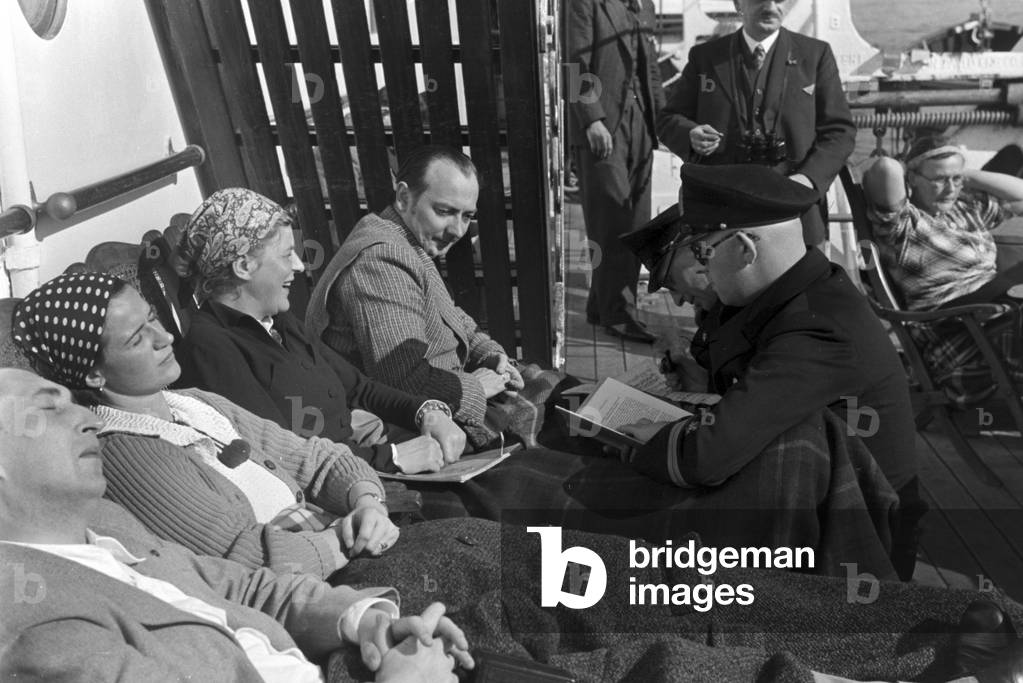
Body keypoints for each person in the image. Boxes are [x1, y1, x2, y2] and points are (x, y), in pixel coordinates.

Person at [2, 367, 1023, 683]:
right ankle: (922, 644)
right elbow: (254, 547)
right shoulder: (55, 624)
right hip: (412, 547)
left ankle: (928, 624)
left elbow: (309, 476)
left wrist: (361, 608)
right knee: (641, 622)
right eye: (47, 402)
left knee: (651, 579)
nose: (72, 401)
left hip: (386, 569)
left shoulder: (186, 419)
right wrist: (358, 520)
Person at [620, 163, 923, 581]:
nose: (704, 270)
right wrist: (704, 387)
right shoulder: (798, 295)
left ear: (745, 248)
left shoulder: (818, 327)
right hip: (812, 503)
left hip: (856, 539)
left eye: (705, 252)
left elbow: (705, 458)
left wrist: (637, 435)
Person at [11, 272, 397, 579]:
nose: (163, 338)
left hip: (343, 545)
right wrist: (351, 537)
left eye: (153, 318)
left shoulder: (194, 403)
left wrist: (367, 502)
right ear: (93, 373)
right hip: (318, 585)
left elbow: (313, 458)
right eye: (136, 339)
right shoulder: (125, 453)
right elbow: (244, 555)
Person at [173, 187, 465, 476]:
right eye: (287, 255)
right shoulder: (211, 346)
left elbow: (360, 387)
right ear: (243, 266)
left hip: (359, 464)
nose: (300, 265)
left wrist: (428, 412)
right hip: (339, 489)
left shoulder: (279, 321)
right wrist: (394, 456)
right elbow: (279, 454)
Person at [306, 146, 564, 451]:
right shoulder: (382, 260)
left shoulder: (407, 239)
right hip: (414, 424)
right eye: (444, 211)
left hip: (449, 393)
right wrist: (478, 387)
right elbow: (402, 383)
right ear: (404, 197)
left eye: (467, 216)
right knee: (571, 432)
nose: (457, 230)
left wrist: (494, 356)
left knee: (570, 398)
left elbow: (452, 316)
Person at [655, 0, 855, 245]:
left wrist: (808, 179)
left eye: (779, 0)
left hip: (795, 209)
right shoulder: (705, 57)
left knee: (797, 282)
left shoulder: (815, 55)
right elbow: (667, 120)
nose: (771, 6)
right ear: (739, 4)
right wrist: (690, 134)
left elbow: (840, 131)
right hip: (723, 212)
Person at [862, 136, 1023, 405]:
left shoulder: (967, 209)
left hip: (995, 316)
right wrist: (919, 165)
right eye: (938, 180)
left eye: (955, 179)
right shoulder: (902, 225)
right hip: (961, 336)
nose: (950, 189)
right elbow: (885, 168)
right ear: (911, 179)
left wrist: (964, 174)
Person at [567, 0, 665, 342]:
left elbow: (650, 68)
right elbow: (574, 62)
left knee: (636, 219)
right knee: (613, 220)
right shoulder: (586, 4)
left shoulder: (644, 6)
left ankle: (601, 307)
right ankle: (619, 313)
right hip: (603, 127)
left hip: (642, 125)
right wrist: (592, 118)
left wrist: (663, 122)